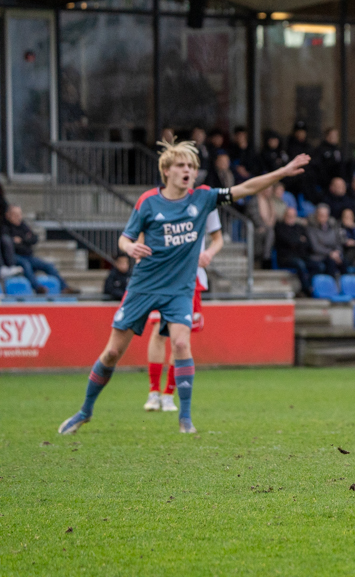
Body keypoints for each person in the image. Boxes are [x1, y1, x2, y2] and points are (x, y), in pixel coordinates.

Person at [57, 142, 309, 436]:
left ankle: (185, 419)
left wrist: (282, 172)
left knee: (180, 344)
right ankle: (85, 411)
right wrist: (130, 247)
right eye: (181, 165)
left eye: (191, 166)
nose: (188, 170)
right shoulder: (148, 201)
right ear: (166, 171)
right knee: (112, 352)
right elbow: (124, 239)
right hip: (144, 286)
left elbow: (246, 188)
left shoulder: (203, 198)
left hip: (179, 289)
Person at [143, 208, 223, 413]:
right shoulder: (161, 201)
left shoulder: (206, 203)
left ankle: (169, 394)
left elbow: (218, 239)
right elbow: (144, 231)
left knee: (180, 340)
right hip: (163, 276)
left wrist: (208, 254)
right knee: (158, 332)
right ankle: (153, 392)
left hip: (191, 279)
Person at [3, 206, 77, 294]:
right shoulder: (5, 228)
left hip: (28, 256)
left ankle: (64, 287)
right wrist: (25, 240)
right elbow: (10, 244)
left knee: (48, 266)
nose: (18, 217)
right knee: (26, 265)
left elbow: (34, 239)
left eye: (20, 214)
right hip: (15, 257)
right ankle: (37, 288)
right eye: (15, 215)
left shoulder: (23, 226)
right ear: (8, 215)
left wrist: (22, 240)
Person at [274, 206, 316, 296]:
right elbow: (289, 241)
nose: (291, 218)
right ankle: (307, 289)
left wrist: (296, 241)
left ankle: (310, 285)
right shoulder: (280, 227)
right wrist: (299, 240)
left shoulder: (299, 227)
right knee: (300, 264)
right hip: (285, 258)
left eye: (293, 216)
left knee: (318, 266)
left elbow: (308, 243)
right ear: (284, 216)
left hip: (300, 256)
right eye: (288, 216)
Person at [306, 204, 346, 277]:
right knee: (331, 263)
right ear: (316, 215)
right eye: (321, 215)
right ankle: (330, 282)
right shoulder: (311, 228)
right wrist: (330, 253)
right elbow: (315, 246)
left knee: (344, 262)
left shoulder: (332, 226)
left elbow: (337, 242)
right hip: (319, 256)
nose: (323, 217)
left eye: (325, 215)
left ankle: (345, 283)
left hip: (333, 255)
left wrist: (337, 252)